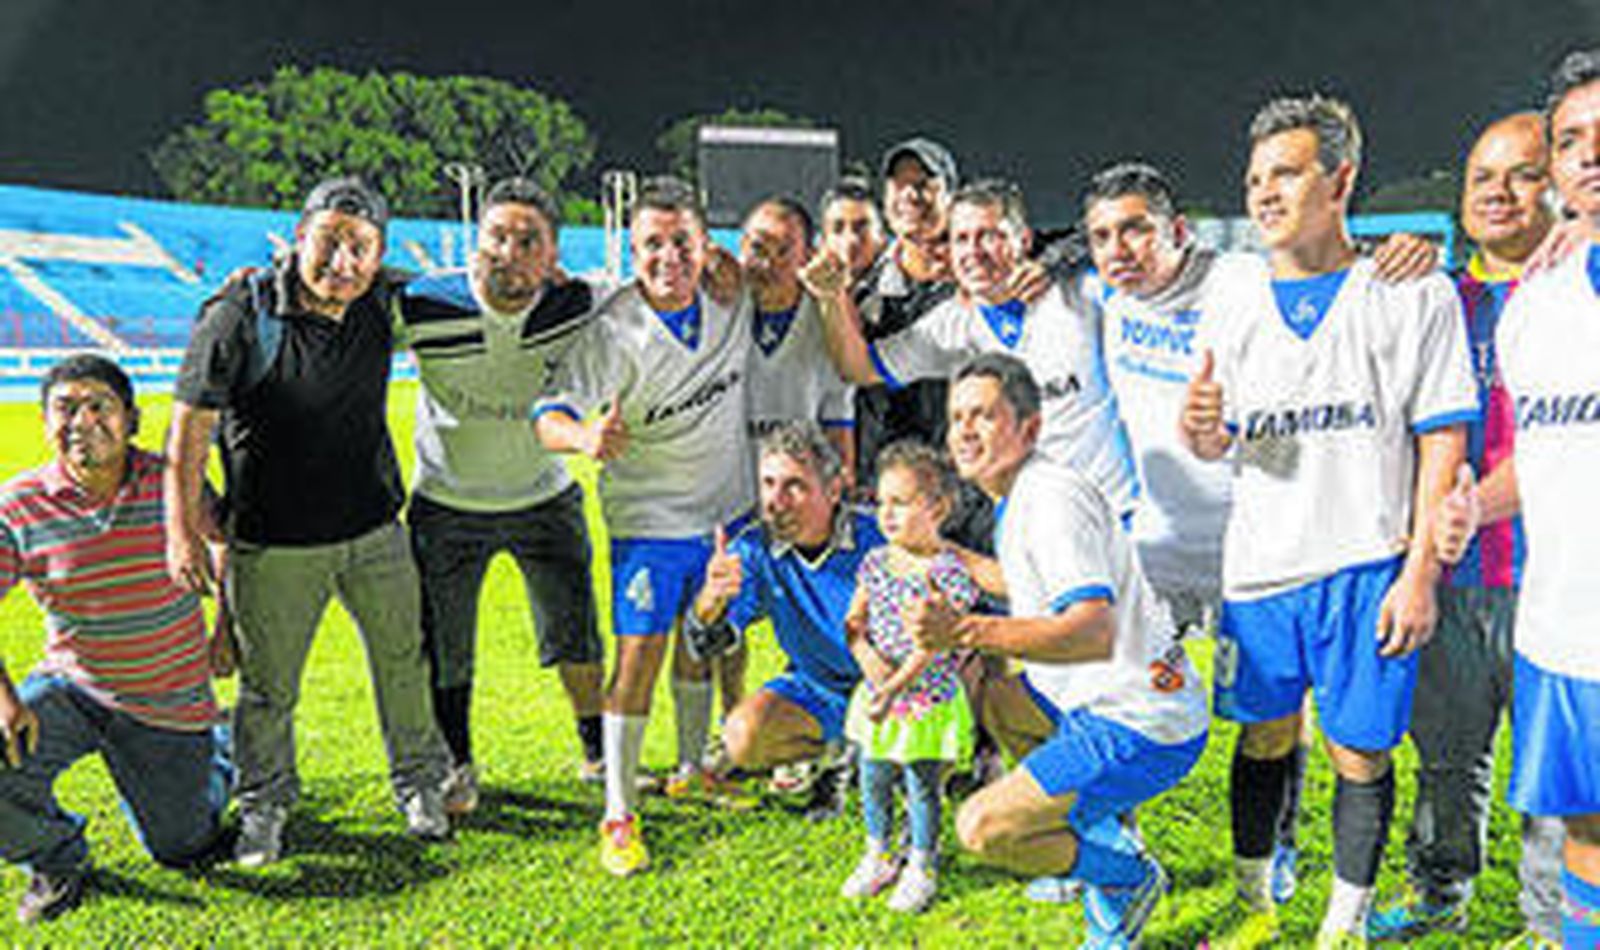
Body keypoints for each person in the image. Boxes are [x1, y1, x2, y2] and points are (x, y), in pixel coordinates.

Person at [1180, 94, 1476, 946]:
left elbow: (1441, 442)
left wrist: (1420, 572)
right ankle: (1254, 902)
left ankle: (1340, 924)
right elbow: (1213, 433)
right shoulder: (1233, 293)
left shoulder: (1411, 292)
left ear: (1340, 178)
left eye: (1286, 172)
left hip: (1363, 565)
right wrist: (1201, 433)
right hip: (1259, 569)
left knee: (1358, 752)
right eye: (1255, 178)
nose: (1264, 192)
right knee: (1264, 736)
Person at [166, 176, 452, 866]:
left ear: (379, 255)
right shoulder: (240, 311)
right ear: (298, 238)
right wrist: (181, 528)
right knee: (268, 690)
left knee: (403, 667)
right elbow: (188, 433)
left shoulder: (385, 298)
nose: (342, 262)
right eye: (328, 243)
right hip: (273, 543)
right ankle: (264, 806)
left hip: (375, 534)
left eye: (360, 248)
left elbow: (475, 291)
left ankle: (419, 785)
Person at [915, 353, 1207, 947]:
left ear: (1029, 428)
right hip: (1106, 700)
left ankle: (1125, 877)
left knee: (982, 827)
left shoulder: (1049, 502)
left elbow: (1089, 631)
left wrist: (964, 631)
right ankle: (1100, 827)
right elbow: (1029, 583)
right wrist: (951, 556)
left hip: (1140, 721)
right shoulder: (1023, 492)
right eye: (957, 417)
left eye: (984, 416)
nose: (965, 431)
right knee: (1000, 701)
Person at [1367, 113, 1565, 945]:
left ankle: (1554, 918)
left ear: (1557, 187)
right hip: (1448, 571)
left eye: (1521, 174)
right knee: (1448, 755)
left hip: (1559, 572)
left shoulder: (1580, 291)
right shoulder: (1435, 295)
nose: (1497, 190)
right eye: (1483, 175)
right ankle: (1440, 889)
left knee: (1558, 766)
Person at [533, 176, 753, 876]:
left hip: (724, 517)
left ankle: (692, 769)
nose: (667, 258)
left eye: (680, 242)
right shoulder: (615, 330)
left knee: (703, 645)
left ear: (703, 246)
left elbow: (763, 276)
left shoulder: (731, 300)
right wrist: (586, 438)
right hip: (649, 523)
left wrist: (734, 266)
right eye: (651, 245)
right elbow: (548, 416)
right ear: (633, 253)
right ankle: (619, 813)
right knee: (638, 660)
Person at [1433, 48, 1600, 950]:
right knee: (1585, 829)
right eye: (1572, 140)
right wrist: (1477, 505)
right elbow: (1550, 453)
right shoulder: (1540, 300)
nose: (1590, 156)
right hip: (1562, 627)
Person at [392, 177, 606, 810]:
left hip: (544, 495)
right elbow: (340, 301)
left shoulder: (578, 302)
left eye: (527, 241)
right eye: (498, 236)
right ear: (474, 242)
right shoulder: (423, 302)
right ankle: (456, 764)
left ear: (552, 255)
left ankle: (596, 752)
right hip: (446, 504)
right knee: (445, 643)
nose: (509, 251)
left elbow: (654, 297)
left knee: (576, 632)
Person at [0, 355, 231, 923]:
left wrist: (227, 626)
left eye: (99, 406)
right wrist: (4, 698)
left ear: (132, 418)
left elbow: (225, 543)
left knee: (182, 849)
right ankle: (56, 858)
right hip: (74, 689)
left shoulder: (173, 483)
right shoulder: (18, 505)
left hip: (170, 701)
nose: (81, 421)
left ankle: (224, 752)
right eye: (65, 408)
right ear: (46, 422)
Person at [806, 178, 1138, 519]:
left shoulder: (1082, 293)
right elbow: (857, 368)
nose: (974, 251)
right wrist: (831, 298)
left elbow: (1130, 240)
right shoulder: (951, 326)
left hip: (1118, 520)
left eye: (989, 236)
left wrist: (1061, 258)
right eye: (962, 239)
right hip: (1029, 528)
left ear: (1023, 240)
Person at [684, 422, 882, 818]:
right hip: (817, 687)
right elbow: (707, 643)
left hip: (888, 685)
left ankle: (873, 755)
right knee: (741, 737)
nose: (775, 500)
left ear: (834, 489)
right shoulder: (754, 548)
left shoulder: (878, 538)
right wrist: (711, 598)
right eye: (768, 483)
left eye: (794, 485)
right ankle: (839, 755)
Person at [838, 441, 979, 914]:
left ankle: (922, 862)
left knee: (921, 782)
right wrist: (865, 658)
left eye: (901, 502)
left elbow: (934, 646)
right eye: (882, 502)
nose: (887, 514)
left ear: (937, 507)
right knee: (872, 773)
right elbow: (854, 620)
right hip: (880, 689)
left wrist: (893, 685)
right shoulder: (876, 561)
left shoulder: (949, 573)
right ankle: (878, 852)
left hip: (923, 697)